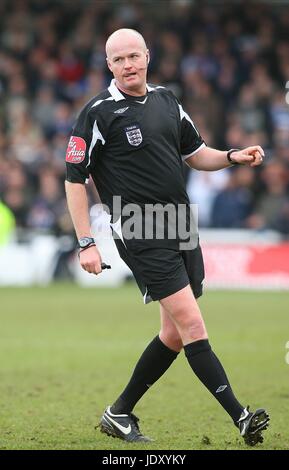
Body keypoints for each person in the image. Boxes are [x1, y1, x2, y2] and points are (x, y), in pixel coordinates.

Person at [65, 28, 269, 446]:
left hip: (179, 225)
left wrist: (232, 156)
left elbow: (196, 154)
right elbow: (73, 178)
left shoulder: (167, 101)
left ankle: (118, 413)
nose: (128, 65)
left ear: (147, 56)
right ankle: (242, 416)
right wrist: (86, 242)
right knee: (193, 324)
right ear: (109, 66)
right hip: (140, 228)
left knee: (174, 334)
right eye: (119, 59)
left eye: (134, 56)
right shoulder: (97, 113)